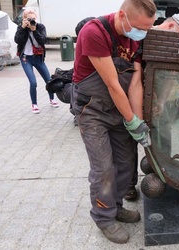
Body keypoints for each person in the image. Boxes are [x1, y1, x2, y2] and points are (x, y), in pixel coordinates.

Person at [71, 0, 156, 244]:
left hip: (120, 108)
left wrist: (137, 121)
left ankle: (115, 206)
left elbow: (135, 82)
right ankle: (104, 217)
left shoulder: (136, 38)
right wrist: (131, 120)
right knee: (104, 168)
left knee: (126, 162)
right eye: (141, 28)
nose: (143, 33)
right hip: (93, 109)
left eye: (148, 29)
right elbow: (113, 85)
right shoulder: (94, 32)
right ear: (122, 16)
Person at [122, 13, 179, 202]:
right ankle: (129, 186)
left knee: (163, 137)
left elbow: (170, 73)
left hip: (153, 100)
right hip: (129, 96)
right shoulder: (141, 37)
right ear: (171, 27)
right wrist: (139, 117)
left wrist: (160, 101)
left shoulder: (163, 44)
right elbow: (136, 81)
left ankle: (164, 173)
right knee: (129, 143)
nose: (178, 42)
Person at [14, 9, 59, 114]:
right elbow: (17, 40)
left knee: (49, 80)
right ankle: (34, 104)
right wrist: (22, 28)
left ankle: (52, 99)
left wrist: (34, 30)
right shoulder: (21, 28)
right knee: (33, 82)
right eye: (29, 19)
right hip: (26, 58)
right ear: (25, 19)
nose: (32, 21)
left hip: (38, 58)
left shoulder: (40, 27)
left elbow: (43, 41)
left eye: (33, 19)